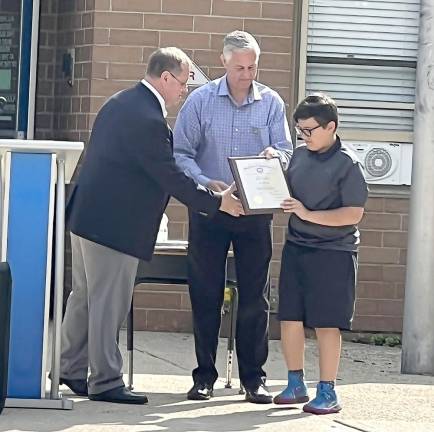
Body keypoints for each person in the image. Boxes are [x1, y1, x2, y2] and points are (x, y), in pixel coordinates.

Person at [56, 47, 244, 405]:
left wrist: (206, 189)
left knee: (84, 297)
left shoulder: (121, 102)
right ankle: (106, 381)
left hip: (88, 219)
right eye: (184, 82)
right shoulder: (148, 118)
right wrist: (216, 203)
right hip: (115, 227)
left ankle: (71, 366)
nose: (185, 90)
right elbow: (169, 175)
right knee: (107, 303)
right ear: (166, 78)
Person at [173, 30, 292, 404]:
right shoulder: (200, 101)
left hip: (255, 212)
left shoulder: (271, 102)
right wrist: (209, 186)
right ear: (223, 62)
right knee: (205, 293)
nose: (246, 73)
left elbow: (287, 151)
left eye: (252, 65)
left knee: (256, 297)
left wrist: (276, 157)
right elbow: (180, 154)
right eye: (239, 66)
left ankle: (253, 378)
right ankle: (204, 376)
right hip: (211, 209)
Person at [274, 93, 368, 414]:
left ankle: (327, 391)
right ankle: (295, 384)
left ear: (331, 127)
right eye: (300, 130)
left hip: (334, 253)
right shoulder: (299, 156)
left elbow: (353, 214)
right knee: (290, 318)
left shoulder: (348, 164)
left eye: (310, 130)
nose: (305, 136)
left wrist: (307, 213)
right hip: (297, 248)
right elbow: (282, 192)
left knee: (327, 324)